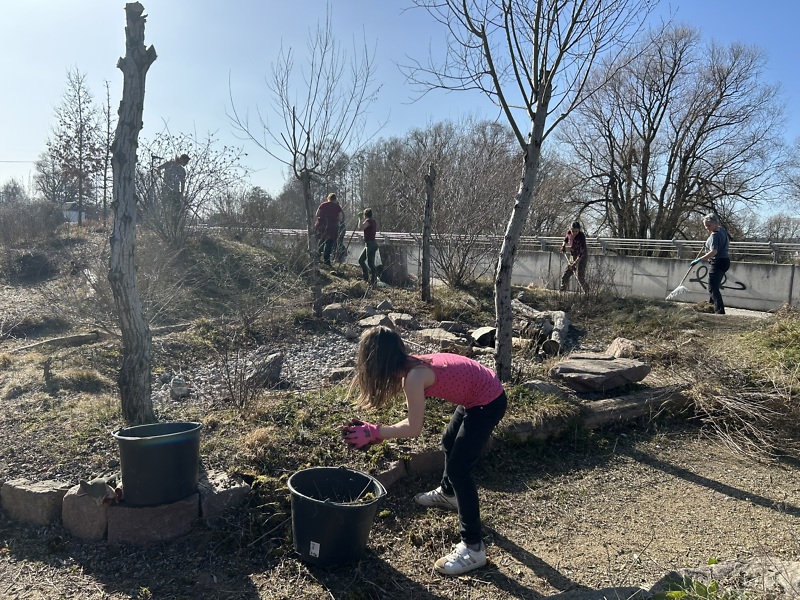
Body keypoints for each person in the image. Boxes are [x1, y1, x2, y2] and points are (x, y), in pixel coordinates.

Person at [343, 326, 507, 576]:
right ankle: (449, 494)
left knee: (459, 470)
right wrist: (376, 432)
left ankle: (474, 548)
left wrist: (375, 432)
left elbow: (413, 428)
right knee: (449, 441)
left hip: (488, 401)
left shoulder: (414, 377)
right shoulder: (411, 365)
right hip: (478, 395)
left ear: (375, 363)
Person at [692, 213, 730, 314]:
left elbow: (714, 251)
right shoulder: (721, 230)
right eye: (705, 225)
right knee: (714, 286)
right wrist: (707, 243)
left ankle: (719, 311)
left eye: (708, 225)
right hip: (725, 260)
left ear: (715, 223)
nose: (707, 228)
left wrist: (700, 259)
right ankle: (711, 307)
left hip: (717, 261)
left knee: (712, 288)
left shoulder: (714, 235)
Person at [314, 192, 342, 266]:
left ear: (328, 198)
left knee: (321, 241)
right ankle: (326, 260)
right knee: (329, 243)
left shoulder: (323, 205)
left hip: (322, 226)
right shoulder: (337, 207)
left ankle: (317, 256)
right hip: (332, 227)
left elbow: (317, 214)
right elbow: (340, 218)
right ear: (335, 199)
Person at [560, 220, 588, 292]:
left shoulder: (581, 237)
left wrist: (575, 263)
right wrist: (563, 246)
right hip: (573, 255)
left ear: (579, 230)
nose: (574, 233)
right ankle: (562, 292)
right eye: (573, 231)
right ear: (570, 229)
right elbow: (566, 239)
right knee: (565, 275)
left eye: (576, 231)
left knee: (580, 277)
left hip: (581, 257)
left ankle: (587, 292)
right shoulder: (569, 233)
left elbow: (582, 252)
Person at [358, 208, 379, 284]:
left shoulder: (368, 221)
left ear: (365, 215)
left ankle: (372, 279)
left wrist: (360, 219)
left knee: (368, 263)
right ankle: (368, 278)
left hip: (370, 244)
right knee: (363, 261)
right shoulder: (373, 221)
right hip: (371, 244)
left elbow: (360, 227)